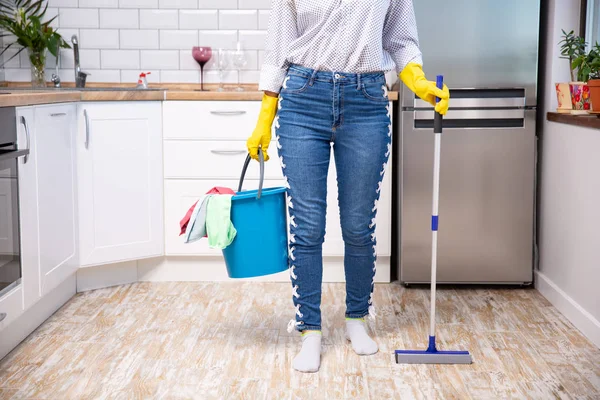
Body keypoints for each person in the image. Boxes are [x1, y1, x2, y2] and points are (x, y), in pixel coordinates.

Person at [246, 0, 449, 373]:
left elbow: (400, 40)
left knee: (358, 226)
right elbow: (278, 48)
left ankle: (357, 318)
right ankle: (310, 329)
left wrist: (417, 79)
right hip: (302, 100)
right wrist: (265, 114)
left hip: (367, 101)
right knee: (307, 227)